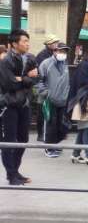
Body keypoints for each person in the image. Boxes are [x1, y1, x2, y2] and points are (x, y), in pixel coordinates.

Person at [0, 29, 38, 185]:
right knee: (9, 141)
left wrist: (23, 79)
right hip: (9, 104)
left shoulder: (30, 58)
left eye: (28, 41)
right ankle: (11, 175)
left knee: (23, 139)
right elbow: (9, 83)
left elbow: (37, 77)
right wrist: (26, 78)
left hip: (25, 103)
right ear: (14, 44)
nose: (27, 44)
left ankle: (15, 171)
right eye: (24, 41)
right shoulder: (5, 61)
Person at [36, 43, 71, 158]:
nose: (63, 54)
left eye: (65, 52)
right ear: (54, 51)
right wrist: (47, 94)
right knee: (50, 124)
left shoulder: (64, 64)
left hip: (62, 100)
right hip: (50, 100)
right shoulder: (46, 64)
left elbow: (66, 82)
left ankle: (55, 145)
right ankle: (48, 148)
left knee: (59, 124)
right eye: (61, 51)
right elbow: (39, 81)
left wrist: (66, 95)